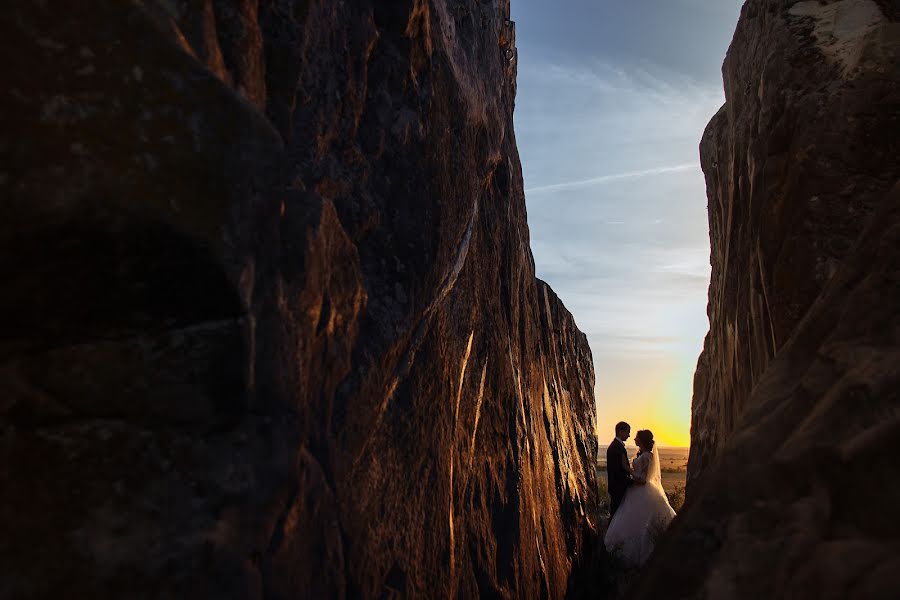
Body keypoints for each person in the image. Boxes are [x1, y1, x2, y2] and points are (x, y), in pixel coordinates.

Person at [604, 429, 676, 566]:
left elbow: (644, 480)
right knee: (633, 520)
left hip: (642, 490)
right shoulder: (642, 454)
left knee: (639, 521)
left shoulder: (648, 456)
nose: (634, 439)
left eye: (636, 437)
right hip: (634, 490)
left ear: (642, 440)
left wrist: (628, 469)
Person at [606, 421, 633, 518]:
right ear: (621, 432)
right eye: (628, 432)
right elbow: (617, 471)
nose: (629, 435)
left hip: (618, 487)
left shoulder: (617, 446)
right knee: (616, 515)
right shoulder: (615, 447)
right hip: (618, 487)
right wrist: (631, 482)